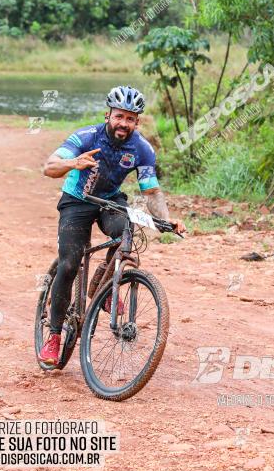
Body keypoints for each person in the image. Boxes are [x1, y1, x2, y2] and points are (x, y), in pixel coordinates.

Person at [39, 85, 186, 366]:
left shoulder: (141, 149)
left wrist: (166, 220)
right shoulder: (86, 136)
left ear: (137, 122)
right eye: (120, 116)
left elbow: (151, 191)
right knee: (69, 264)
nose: (124, 123)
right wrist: (73, 163)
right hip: (77, 200)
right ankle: (54, 336)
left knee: (125, 233)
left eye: (130, 119)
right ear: (108, 115)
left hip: (109, 200)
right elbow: (49, 167)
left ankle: (105, 290)